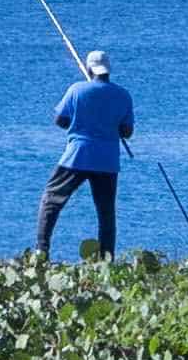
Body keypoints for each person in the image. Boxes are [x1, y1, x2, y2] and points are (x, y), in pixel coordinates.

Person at [36, 49, 133, 260]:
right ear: (108, 70)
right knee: (106, 213)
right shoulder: (123, 95)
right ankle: (107, 259)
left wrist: (80, 122)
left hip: (77, 155)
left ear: (89, 69)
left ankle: (41, 251)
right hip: (107, 160)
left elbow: (60, 120)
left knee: (51, 200)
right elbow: (127, 132)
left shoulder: (77, 89)